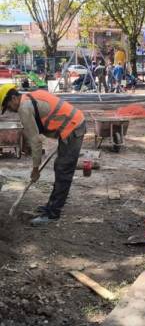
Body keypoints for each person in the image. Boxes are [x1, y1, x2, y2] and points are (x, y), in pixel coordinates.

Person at [0, 84, 86, 226]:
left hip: (73, 128)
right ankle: (51, 206)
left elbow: (35, 142)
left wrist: (35, 169)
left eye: (8, 106)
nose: (10, 110)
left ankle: (53, 213)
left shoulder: (24, 109)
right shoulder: (30, 96)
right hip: (71, 125)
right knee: (60, 167)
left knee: (63, 170)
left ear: (14, 98)